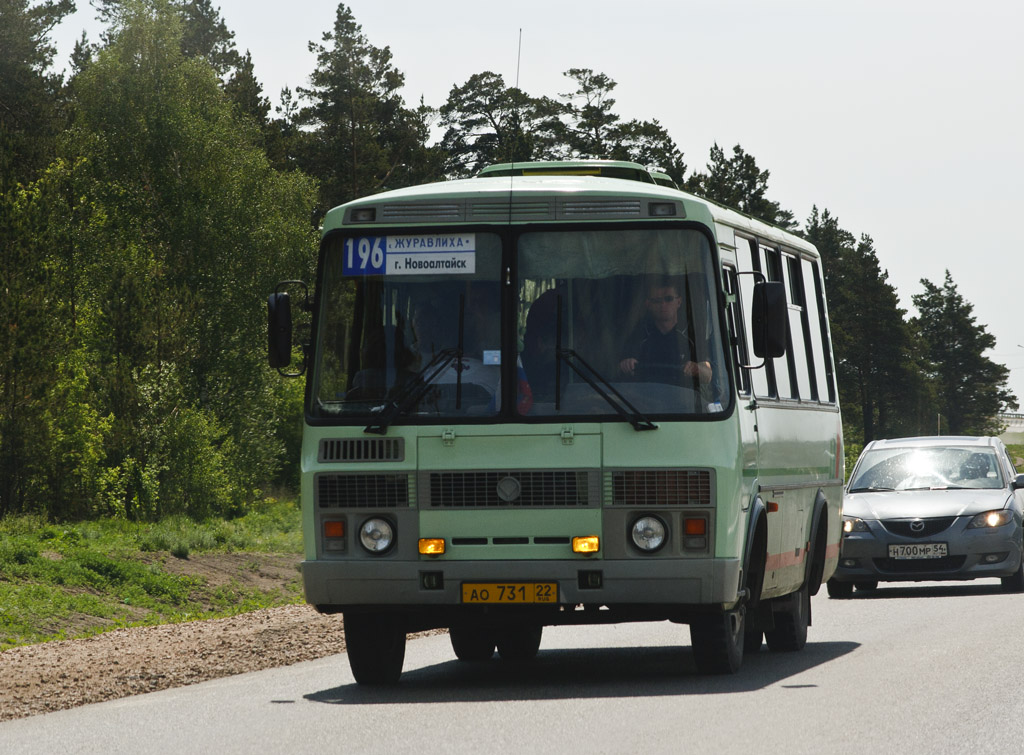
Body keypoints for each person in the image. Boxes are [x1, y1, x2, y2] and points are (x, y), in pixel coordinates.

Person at [618, 279, 712, 388]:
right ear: (648, 304)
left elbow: (708, 375)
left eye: (668, 299)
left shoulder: (692, 335)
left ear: (679, 302)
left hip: (684, 400)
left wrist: (696, 368)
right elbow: (617, 369)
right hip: (642, 399)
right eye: (657, 301)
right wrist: (626, 364)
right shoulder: (638, 334)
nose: (663, 304)